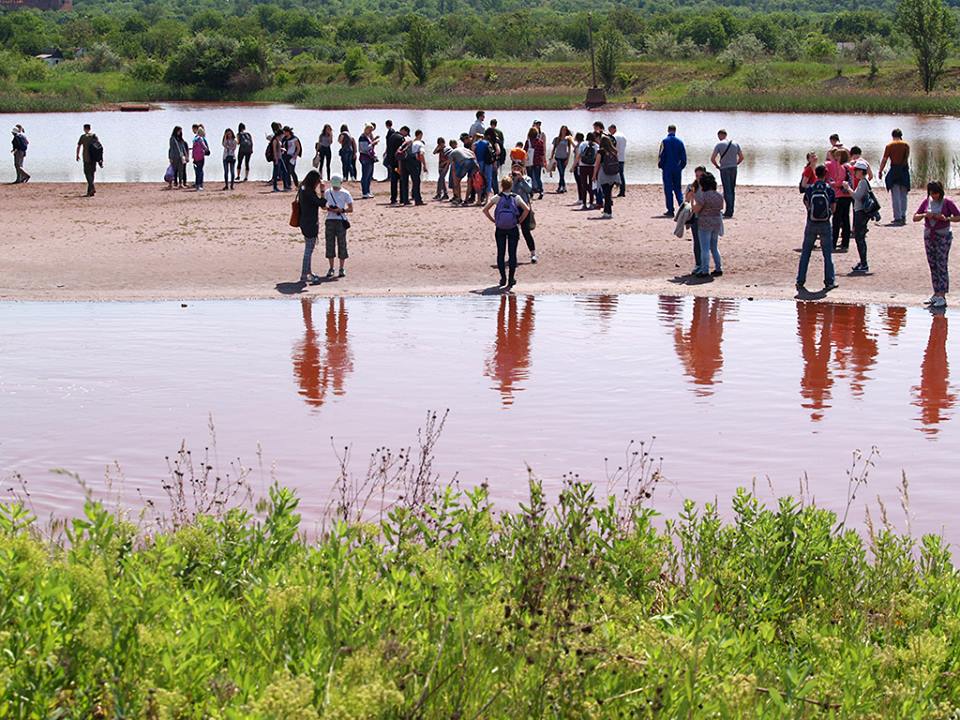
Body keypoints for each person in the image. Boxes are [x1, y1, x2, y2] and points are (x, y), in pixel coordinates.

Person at [913, 181, 960, 308]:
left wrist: (946, 218)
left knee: (941, 264)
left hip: (943, 236)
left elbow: (958, 216)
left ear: (940, 192)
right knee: (933, 264)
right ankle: (936, 293)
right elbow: (915, 217)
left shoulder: (947, 202)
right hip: (929, 236)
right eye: (932, 193)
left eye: (936, 193)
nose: (934, 196)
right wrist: (925, 215)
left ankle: (942, 296)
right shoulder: (926, 201)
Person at [483, 176, 531, 289]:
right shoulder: (516, 197)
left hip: (500, 228)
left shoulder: (497, 197)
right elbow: (527, 209)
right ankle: (511, 279)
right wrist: (520, 220)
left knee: (501, 253)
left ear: (502, 186)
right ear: (511, 185)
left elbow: (485, 210)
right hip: (513, 227)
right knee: (512, 254)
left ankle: (503, 278)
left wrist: (493, 220)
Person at [796, 164, 838, 293]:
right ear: (825, 175)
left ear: (816, 174)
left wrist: (811, 211)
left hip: (811, 223)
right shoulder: (829, 189)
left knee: (806, 253)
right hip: (825, 224)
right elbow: (834, 208)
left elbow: (806, 202)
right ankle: (829, 282)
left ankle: (800, 281)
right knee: (827, 255)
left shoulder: (811, 188)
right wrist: (827, 213)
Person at [691, 172, 724, 277]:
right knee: (714, 247)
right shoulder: (719, 195)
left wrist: (692, 201)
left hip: (705, 223)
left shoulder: (703, 196)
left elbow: (696, 210)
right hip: (716, 222)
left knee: (704, 248)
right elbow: (721, 207)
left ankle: (705, 270)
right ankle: (718, 268)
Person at [843, 159, 872, 274]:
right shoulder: (863, 182)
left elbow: (857, 196)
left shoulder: (863, 182)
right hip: (861, 212)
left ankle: (864, 263)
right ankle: (863, 262)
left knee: (859, 238)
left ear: (860, 171)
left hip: (861, 213)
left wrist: (848, 188)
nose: (854, 172)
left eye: (856, 170)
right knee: (859, 238)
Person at [297, 170, 325, 284]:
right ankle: (305, 274)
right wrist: (322, 191)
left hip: (304, 221)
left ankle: (308, 272)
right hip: (310, 223)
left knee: (309, 248)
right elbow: (321, 203)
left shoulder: (303, 188)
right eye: (318, 181)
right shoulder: (309, 192)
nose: (318, 183)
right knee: (308, 250)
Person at [323, 175, 353, 278]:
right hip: (330, 220)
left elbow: (351, 208)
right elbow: (323, 206)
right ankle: (331, 268)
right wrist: (330, 209)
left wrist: (341, 210)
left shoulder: (345, 193)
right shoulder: (328, 192)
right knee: (330, 244)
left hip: (340, 220)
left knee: (342, 244)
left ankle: (341, 268)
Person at [879, 128, 911, 225]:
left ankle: (897, 217)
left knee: (895, 195)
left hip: (894, 169)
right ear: (901, 135)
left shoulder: (890, 145)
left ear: (892, 136)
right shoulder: (906, 145)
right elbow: (906, 158)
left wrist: (880, 170)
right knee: (903, 194)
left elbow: (884, 159)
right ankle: (903, 215)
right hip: (904, 169)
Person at [710, 129, 743, 218]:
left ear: (720, 135)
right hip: (734, 168)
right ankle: (731, 210)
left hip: (724, 169)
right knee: (732, 189)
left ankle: (728, 212)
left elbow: (712, 158)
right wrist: (735, 164)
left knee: (727, 189)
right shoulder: (735, 144)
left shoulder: (719, 144)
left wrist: (717, 166)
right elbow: (741, 157)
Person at [826, 147, 852, 252]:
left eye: (837, 156)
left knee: (836, 219)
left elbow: (840, 182)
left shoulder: (842, 167)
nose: (836, 158)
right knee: (846, 219)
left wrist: (832, 183)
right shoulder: (850, 166)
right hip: (848, 195)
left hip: (840, 195)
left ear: (841, 157)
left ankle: (833, 243)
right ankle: (845, 243)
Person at [511, 165, 537, 263]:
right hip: (514, 208)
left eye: (518, 169)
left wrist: (521, 180)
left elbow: (529, 190)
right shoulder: (510, 179)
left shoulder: (527, 179)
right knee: (513, 233)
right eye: (514, 169)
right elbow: (510, 191)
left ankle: (533, 254)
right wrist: (514, 181)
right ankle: (512, 255)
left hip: (524, 207)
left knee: (526, 232)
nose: (516, 170)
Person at [658, 125, 686, 216]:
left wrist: (661, 165)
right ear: (675, 131)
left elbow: (661, 155)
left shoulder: (664, 141)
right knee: (678, 189)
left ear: (668, 130)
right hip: (677, 168)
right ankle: (682, 207)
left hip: (667, 168)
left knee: (668, 189)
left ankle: (670, 210)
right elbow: (684, 158)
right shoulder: (680, 142)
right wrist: (680, 167)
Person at [684, 166, 707, 273]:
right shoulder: (691, 186)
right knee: (697, 242)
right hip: (695, 217)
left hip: (706, 217)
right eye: (697, 175)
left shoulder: (708, 186)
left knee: (706, 243)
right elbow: (686, 200)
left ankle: (704, 265)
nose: (698, 178)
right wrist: (690, 194)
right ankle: (698, 264)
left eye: (701, 175)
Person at [594, 134, 619, 219]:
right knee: (608, 193)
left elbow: (597, 165)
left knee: (606, 194)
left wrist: (594, 175)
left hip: (604, 174)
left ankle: (608, 212)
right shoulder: (614, 151)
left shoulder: (601, 152)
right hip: (613, 174)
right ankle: (606, 211)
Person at [400, 129, 427, 206]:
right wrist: (424, 165)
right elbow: (421, 154)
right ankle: (418, 200)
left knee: (405, 181)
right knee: (416, 181)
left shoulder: (410, 142)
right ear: (420, 135)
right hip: (413, 162)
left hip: (404, 161)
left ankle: (405, 200)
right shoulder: (420, 144)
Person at [447, 139, 476, 205]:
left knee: (457, 181)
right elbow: (473, 153)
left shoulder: (451, 153)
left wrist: (454, 178)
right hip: (473, 161)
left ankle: (459, 199)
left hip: (465, 162)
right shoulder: (463, 149)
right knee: (469, 182)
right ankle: (466, 200)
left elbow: (452, 167)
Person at [76, 123, 102, 197]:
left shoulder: (83, 137)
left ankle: (92, 187)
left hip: (86, 157)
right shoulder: (94, 136)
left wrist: (77, 155)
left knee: (87, 173)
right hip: (94, 158)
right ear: (90, 129)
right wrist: (99, 158)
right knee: (92, 173)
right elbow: (99, 146)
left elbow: (78, 146)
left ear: (84, 129)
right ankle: (90, 191)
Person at [384, 125, 406, 205]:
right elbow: (401, 152)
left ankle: (393, 199)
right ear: (404, 130)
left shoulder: (391, 137)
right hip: (398, 163)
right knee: (402, 180)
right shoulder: (400, 138)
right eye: (406, 134)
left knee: (393, 181)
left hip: (392, 163)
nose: (405, 136)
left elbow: (389, 150)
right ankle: (402, 198)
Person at [357, 124, 378, 199]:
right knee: (365, 175)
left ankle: (368, 191)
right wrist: (373, 143)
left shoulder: (367, 137)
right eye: (370, 130)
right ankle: (364, 192)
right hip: (365, 157)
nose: (371, 132)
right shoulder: (362, 137)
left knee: (369, 175)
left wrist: (373, 142)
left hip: (369, 157)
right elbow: (364, 148)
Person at [549, 126, 572, 194]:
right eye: (563, 130)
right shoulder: (557, 139)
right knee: (561, 172)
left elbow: (569, 150)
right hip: (558, 157)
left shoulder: (568, 139)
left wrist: (568, 159)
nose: (564, 131)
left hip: (564, 158)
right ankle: (562, 186)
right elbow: (554, 149)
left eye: (565, 130)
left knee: (562, 173)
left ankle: (561, 186)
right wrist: (551, 157)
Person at [526, 127, 546, 199]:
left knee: (530, 177)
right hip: (538, 162)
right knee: (538, 177)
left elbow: (525, 151)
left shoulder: (528, 142)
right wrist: (543, 162)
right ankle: (541, 191)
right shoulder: (540, 142)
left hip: (529, 162)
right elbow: (542, 153)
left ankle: (531, 192)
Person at [474, 131, 494, 200]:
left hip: (479, 162)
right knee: (488, 179)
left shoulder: (475, 144)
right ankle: (487, 199)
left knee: (479, 179)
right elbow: (492, 153)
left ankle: (479, 199)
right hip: (488, 163)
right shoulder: (488, 143)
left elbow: (473, 153)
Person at [609, 123, 626, 197]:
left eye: (610, 130)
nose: (610, 132)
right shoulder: (623, 136)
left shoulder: (614, 137)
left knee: (612, 175)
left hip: (615, 158)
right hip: (622, 157)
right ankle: (622, 191)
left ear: (613, 129)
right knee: (621, 175)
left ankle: (609, 191)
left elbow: (612, 147)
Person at [191, 124, 210, 191]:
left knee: (197, 171)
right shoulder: (201, 139)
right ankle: (200, 185)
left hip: (195, 157)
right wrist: (206, 150)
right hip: (201, 157)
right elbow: (205, 147)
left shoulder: (195, 139)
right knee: (200, 171)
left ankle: (197, 184)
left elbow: (194, 148)